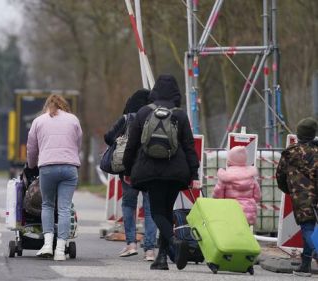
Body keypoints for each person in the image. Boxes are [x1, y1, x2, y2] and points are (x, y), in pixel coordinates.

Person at [123, 74, 200, 271]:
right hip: (176, 172)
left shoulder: (143, 113)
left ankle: (174, 242)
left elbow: (131, 145)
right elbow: (189, 146)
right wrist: (194, 174)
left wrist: (128, 168)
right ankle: (162, 259)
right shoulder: (180, 115)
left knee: (157, 212)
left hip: (151, 171)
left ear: (155, 89)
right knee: (166, 211)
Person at [27, 94, 82, 261]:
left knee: (48, 205)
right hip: (69, 168)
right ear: (64, 105)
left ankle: (47, 245)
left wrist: (31, 165)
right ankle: (60, 250)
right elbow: (77, 144)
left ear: (47, 106)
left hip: (47, 168)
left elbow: (32, 147)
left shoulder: (39, 121)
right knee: (64, 208)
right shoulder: (73, 120)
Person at [104, 89, 157, 261]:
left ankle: (131, 244)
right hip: (150, 169)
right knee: (150, 209)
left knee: (129, 204)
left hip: (129, 170)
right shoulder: (156, 117)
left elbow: (108, 137)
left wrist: (119, 141)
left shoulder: (127, 119)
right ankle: (150, 250)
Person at [276, 117, 318, 277]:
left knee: (307, 228)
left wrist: (289, 190)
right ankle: (306, 265)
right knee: (312, 228)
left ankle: (315, 252)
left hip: (301, 196)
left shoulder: (290, 153)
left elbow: (280, 176)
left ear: (298, 134)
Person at [212, 146, 261, 226]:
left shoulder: (225, 176)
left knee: (231, 234)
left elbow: (217, 196)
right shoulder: (251, 177)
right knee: (244, 234)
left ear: (230, 159)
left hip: (230, 212)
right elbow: (257, 196)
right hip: (248, 214)